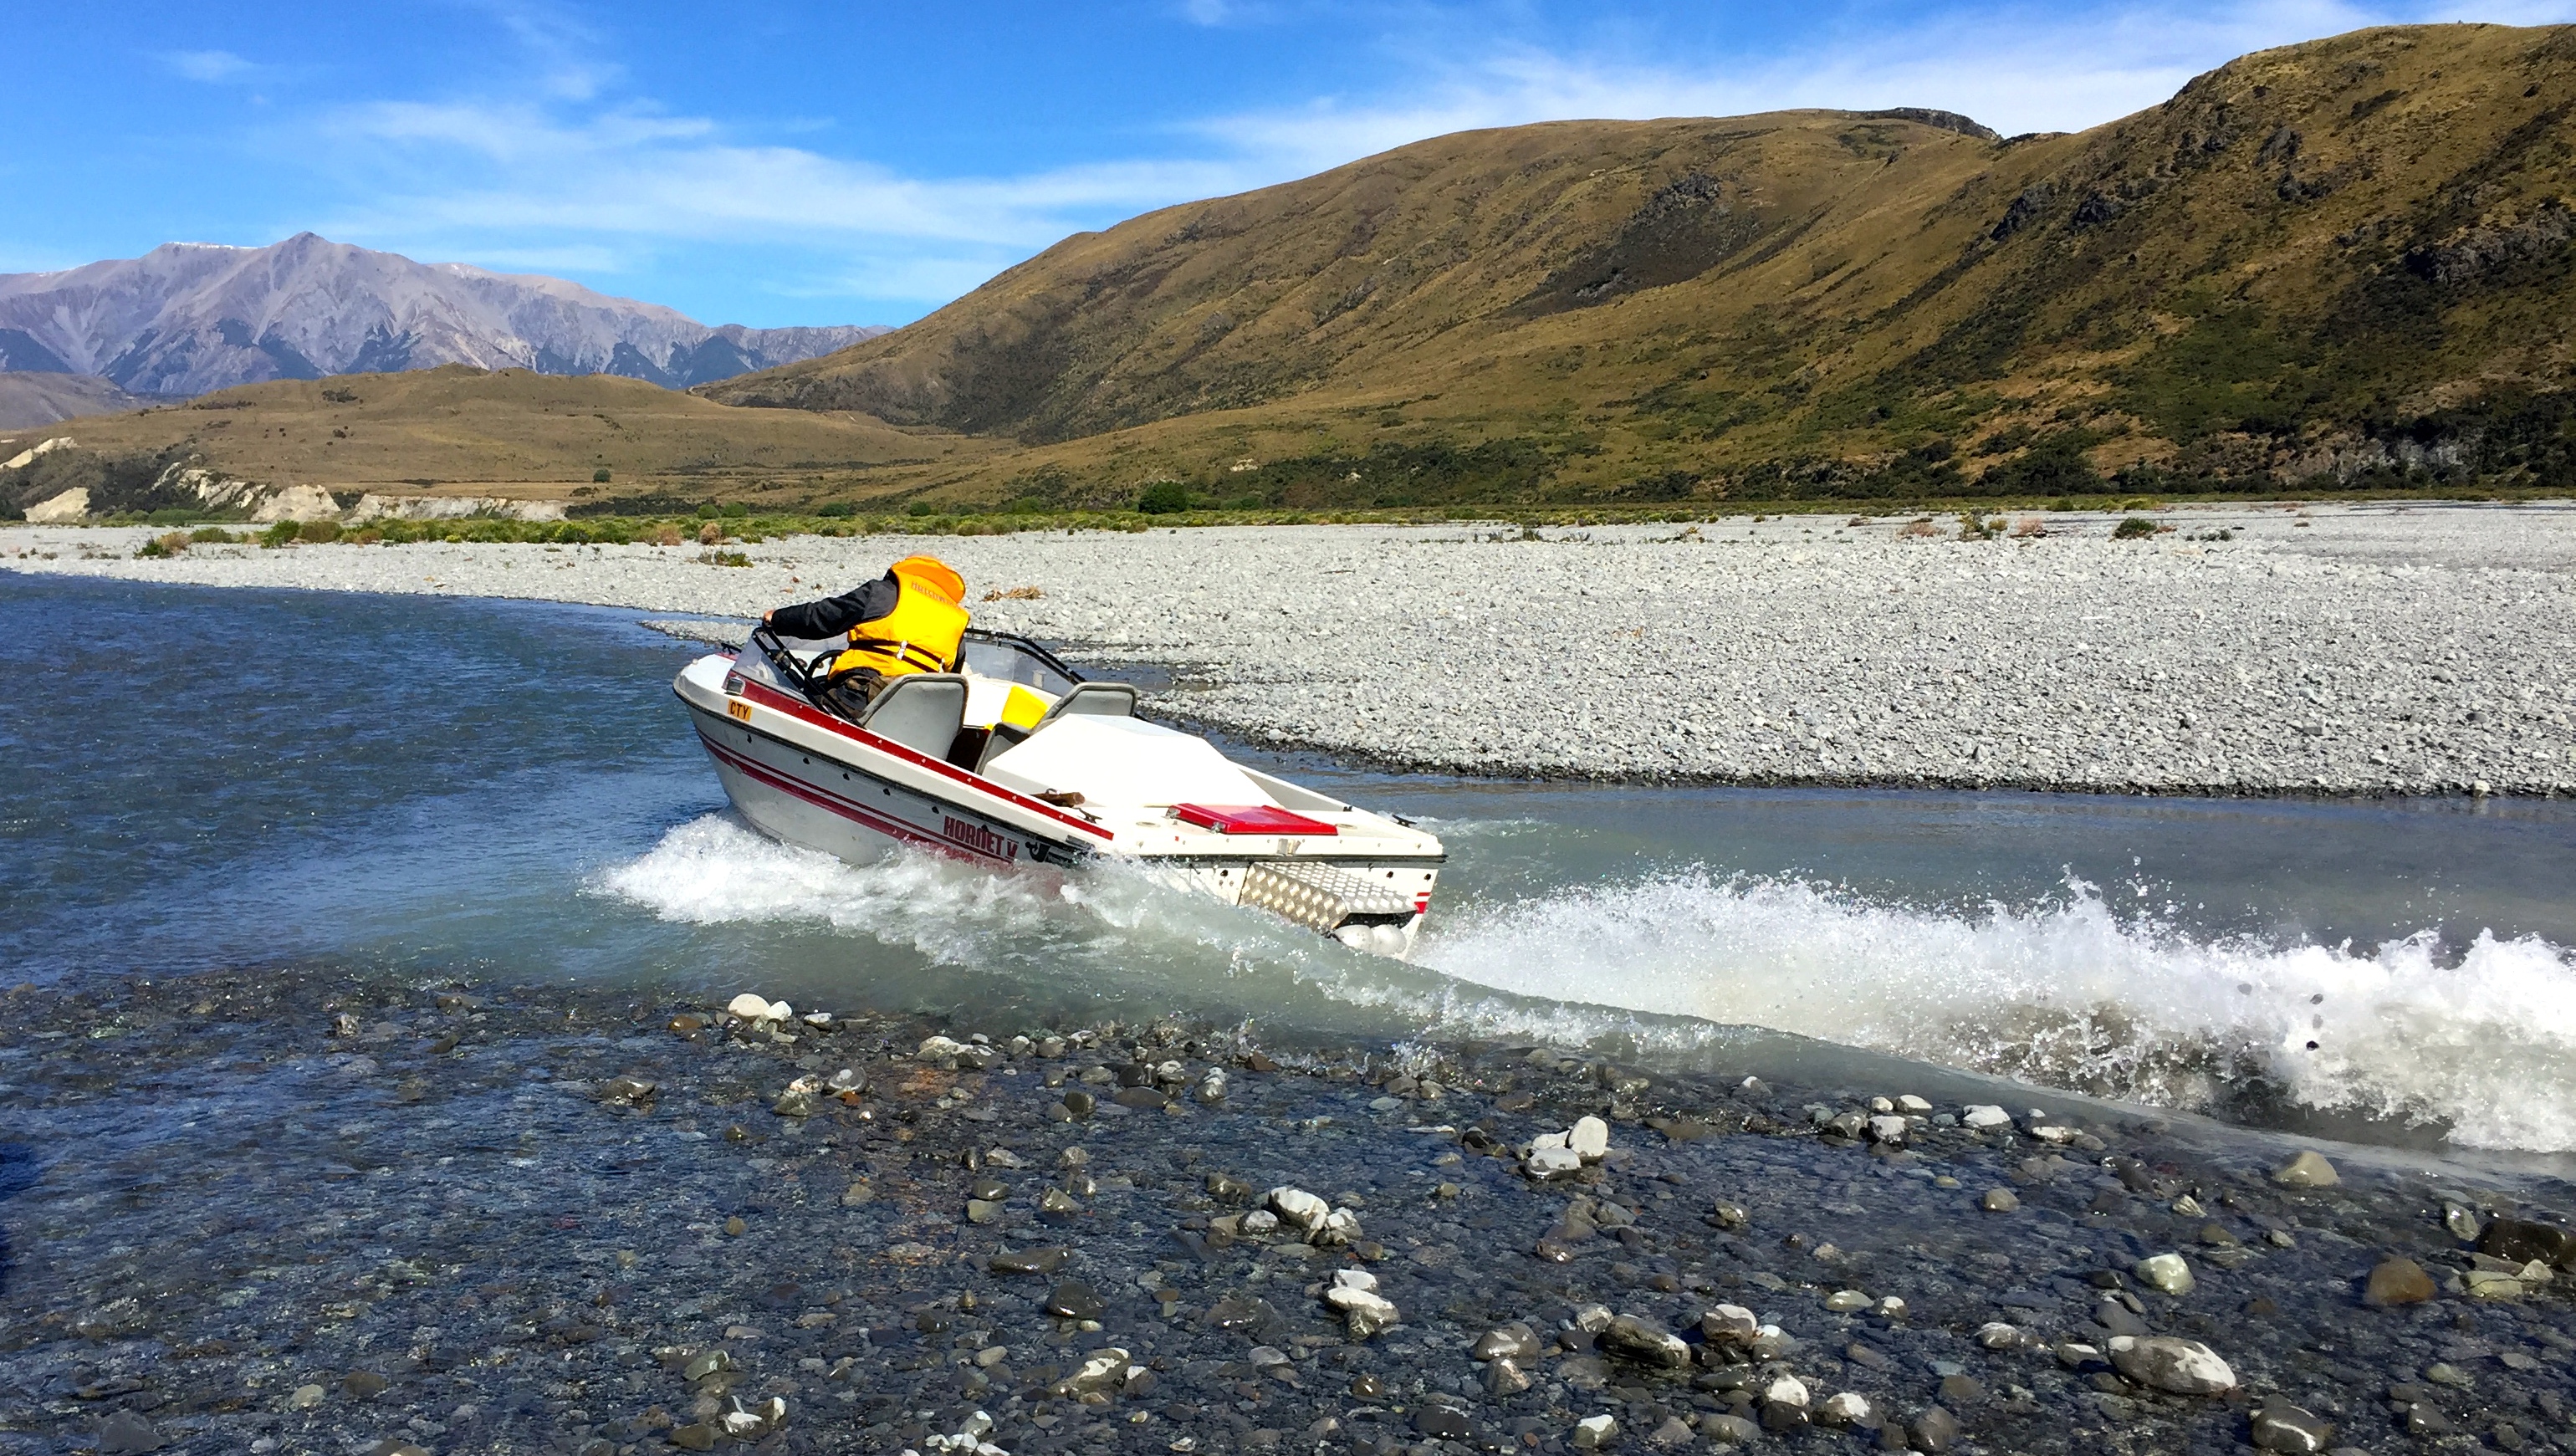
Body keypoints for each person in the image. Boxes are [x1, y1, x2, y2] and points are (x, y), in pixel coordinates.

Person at [764, 554, 970, 720]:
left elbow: (825, 617)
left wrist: (779, 618)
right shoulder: (956, 618)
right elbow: (952, 672)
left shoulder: (883, 592)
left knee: (793, 696)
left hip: (862, 693)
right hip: (917, 708)